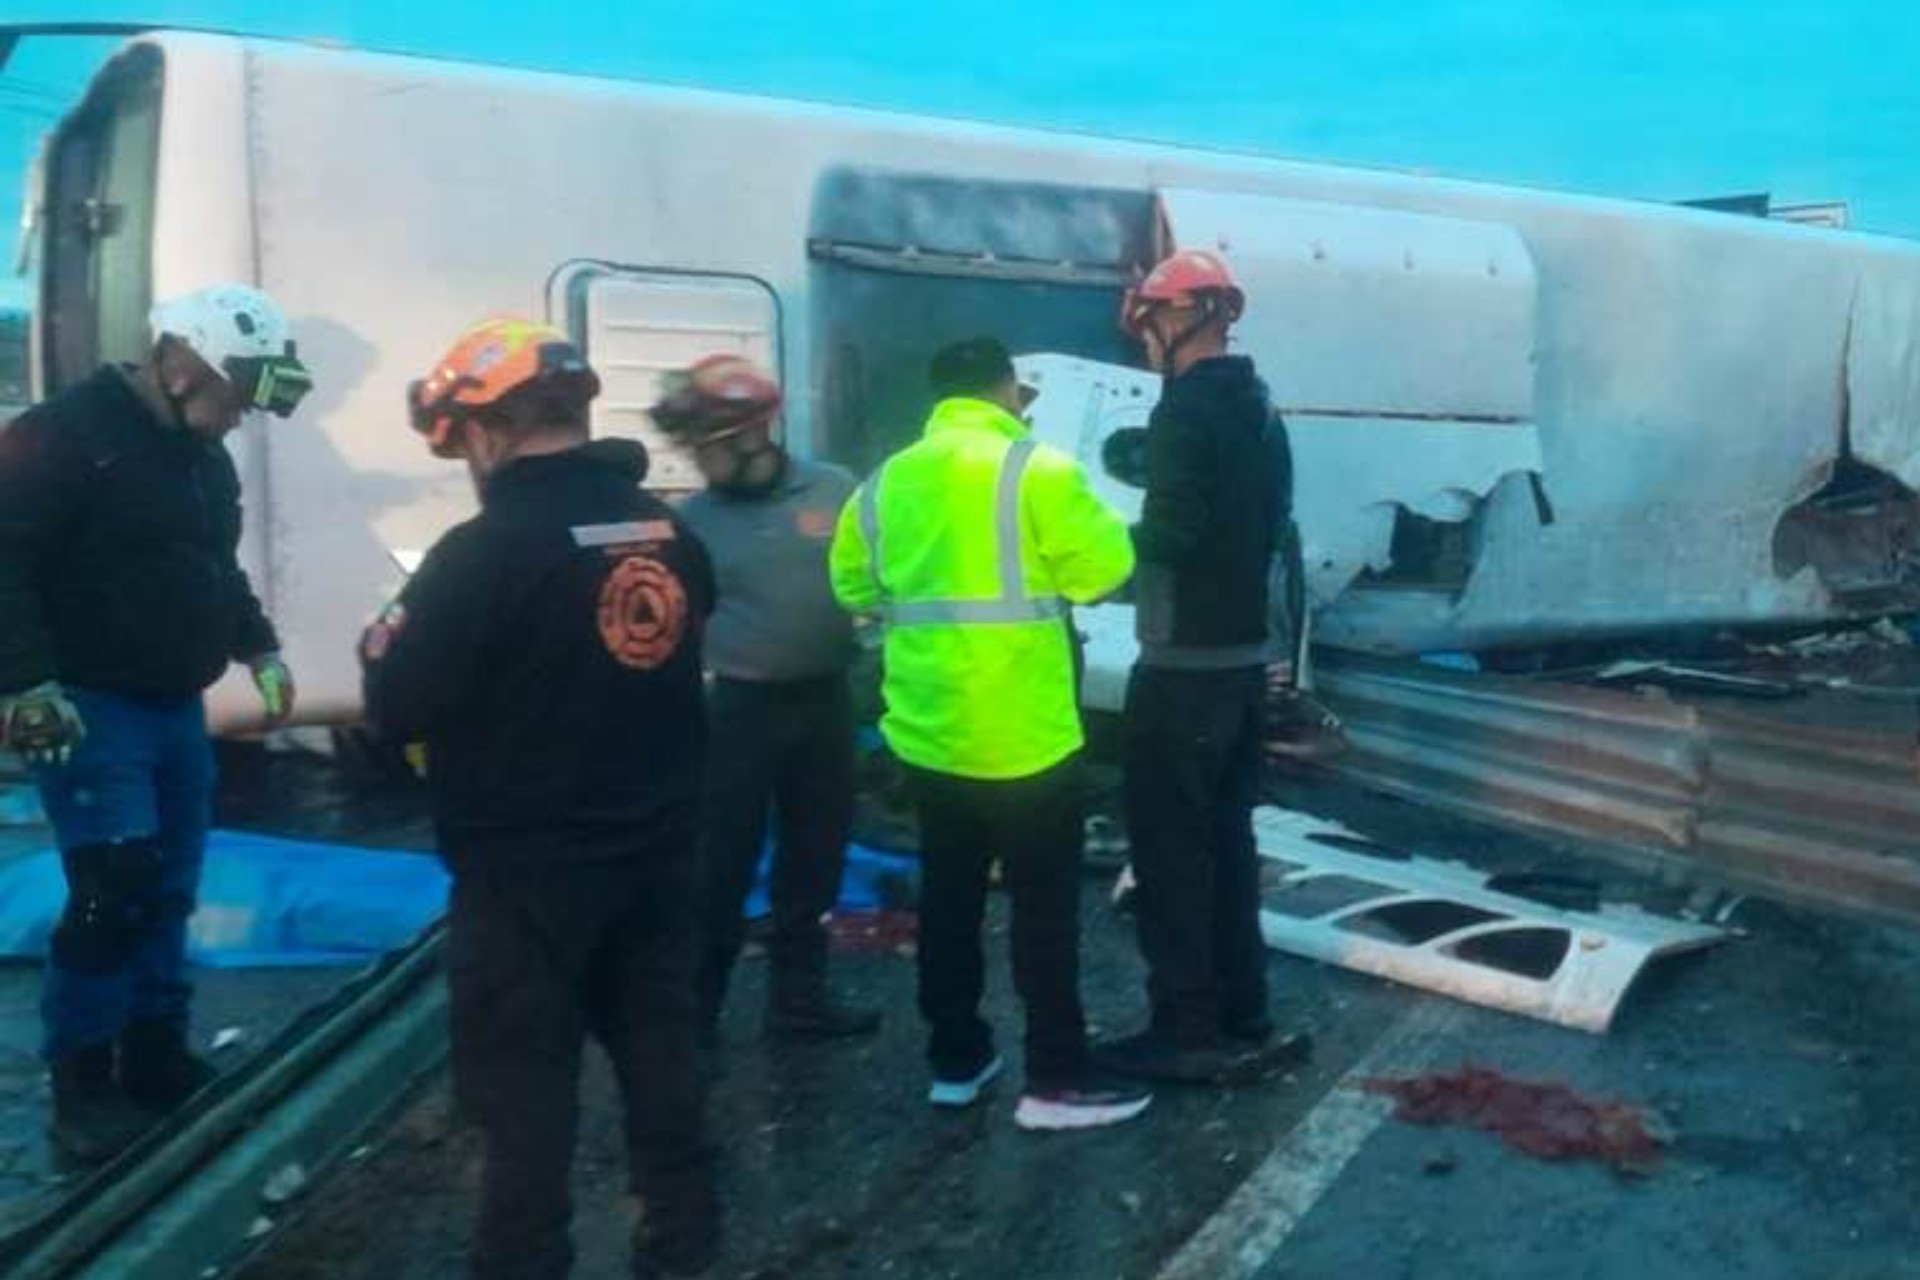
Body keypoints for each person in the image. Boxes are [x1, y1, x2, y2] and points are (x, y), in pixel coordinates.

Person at [361, 317, 718, 1280]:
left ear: (486, 429)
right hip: (656, 857)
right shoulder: (666, 530)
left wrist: (378, 650)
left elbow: (398, 708)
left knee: (522, 1103)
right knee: (664, 1066)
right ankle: (682, 1249)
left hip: (526, 881)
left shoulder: (480, 553)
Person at [0, 284, 311, 1162]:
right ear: (179, 365)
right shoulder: (62, 436)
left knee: (170, 885)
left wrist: (260, 645)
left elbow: (212, 565)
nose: (237, 419)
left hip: (175, 707)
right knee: (114, 888)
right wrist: (24, 682)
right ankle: (82, 1083)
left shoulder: (201, 457)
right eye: (232, 397)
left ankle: (153, 1055)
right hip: (91, 705)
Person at [829, 336, 1150, 1131]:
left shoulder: (886, 481)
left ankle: (958, 1061)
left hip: (931, 734)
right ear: (1008, 390)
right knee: (1043, 912)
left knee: (949, 899)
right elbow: (1103, 572)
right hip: (1028, 739)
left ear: (938, 397)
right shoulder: (1038, 470)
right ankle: (1056, 1080)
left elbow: (850, 585)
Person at [1097, 249, 1313, 1085]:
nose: (1146, 336)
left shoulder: (1184, 411)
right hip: (1238, 667)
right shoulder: (1260, 407)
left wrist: (1093, 557)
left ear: (1179, 317)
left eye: (1150, 319)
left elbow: (1172, 534)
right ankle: (1243, 1013)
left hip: (1182, 667)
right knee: (1226, 846)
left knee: (1169, 858)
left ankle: (1186, 1031)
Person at [652, 355, 881, 1041]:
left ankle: (798, 1002)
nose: (699, 463)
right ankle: (696, 1015)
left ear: (755, 433)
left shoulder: (835, 490)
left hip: (824, 704)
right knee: (718, 866)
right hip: (737, 714)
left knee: (816, 858)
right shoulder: (689, 521)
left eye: (709, 449)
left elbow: (877, 573)